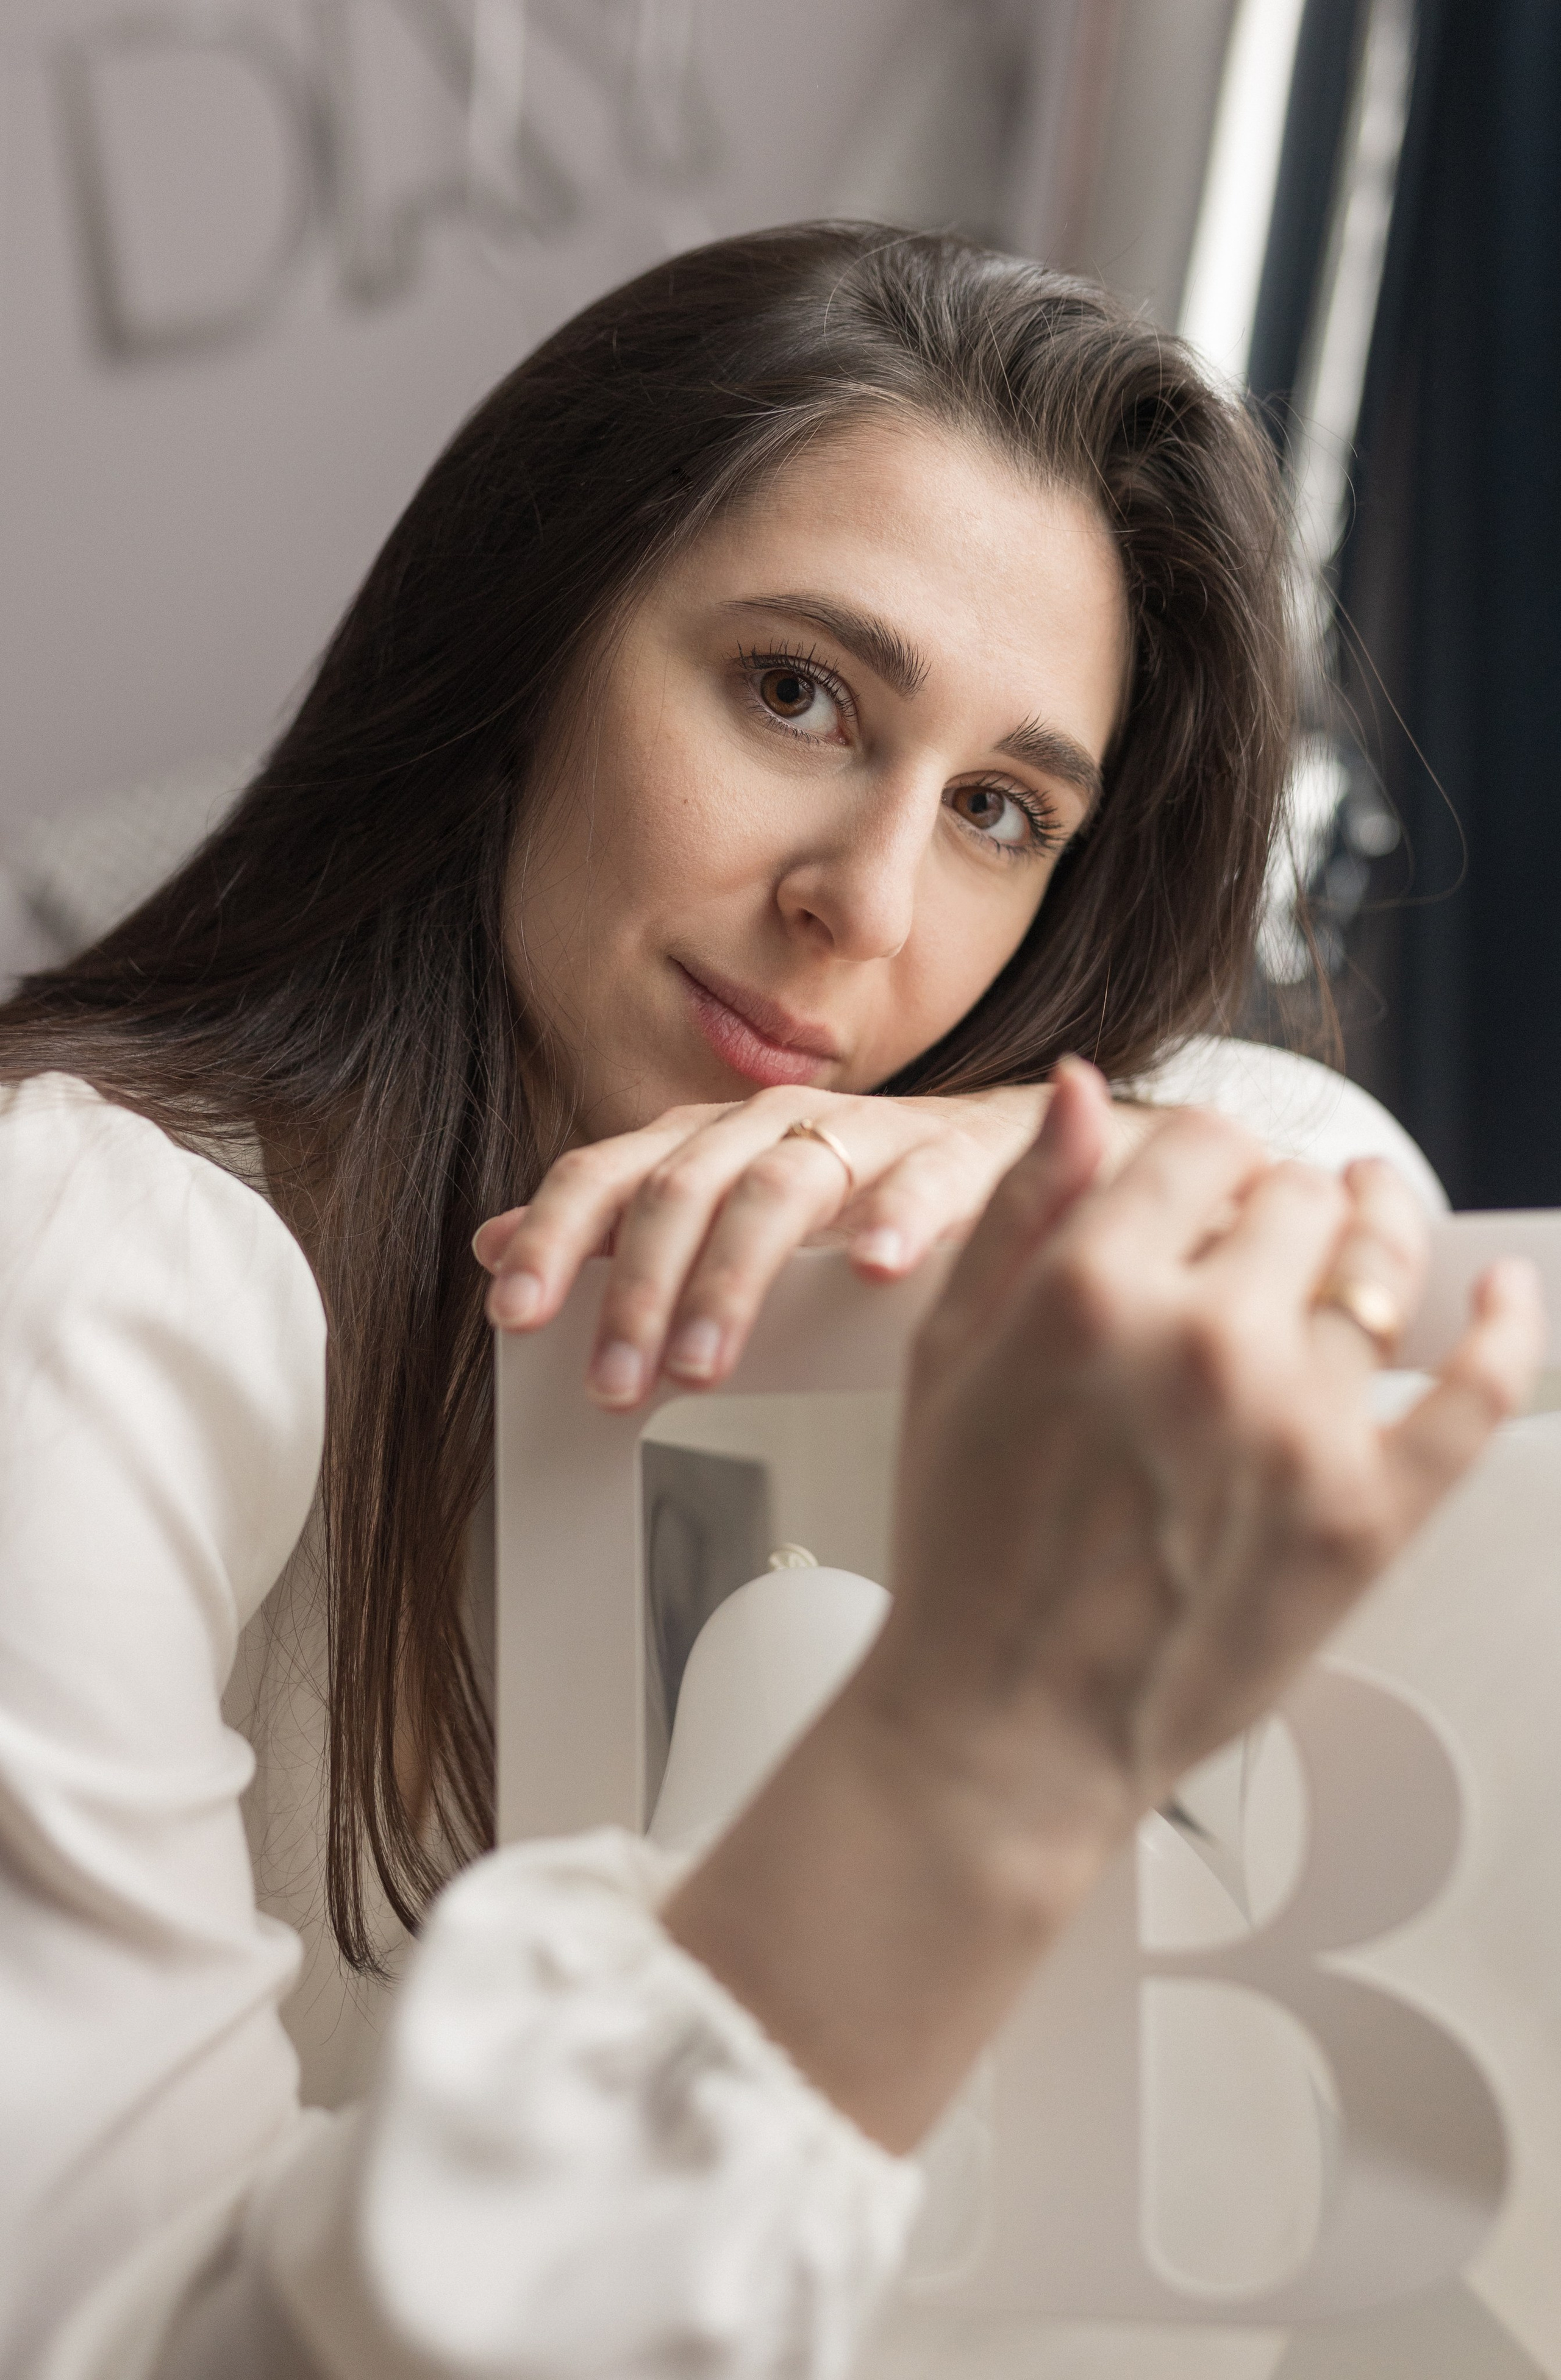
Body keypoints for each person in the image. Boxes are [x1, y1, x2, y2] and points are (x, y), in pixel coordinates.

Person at [0, 224, 1539, 2380]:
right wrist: (956, 1780)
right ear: (522, 648)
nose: (870, 906)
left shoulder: (802, 1292)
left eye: (1002, 811)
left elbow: (1354, 1198)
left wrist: (988, 1142)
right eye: (796, 691)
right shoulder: (85, 1271)